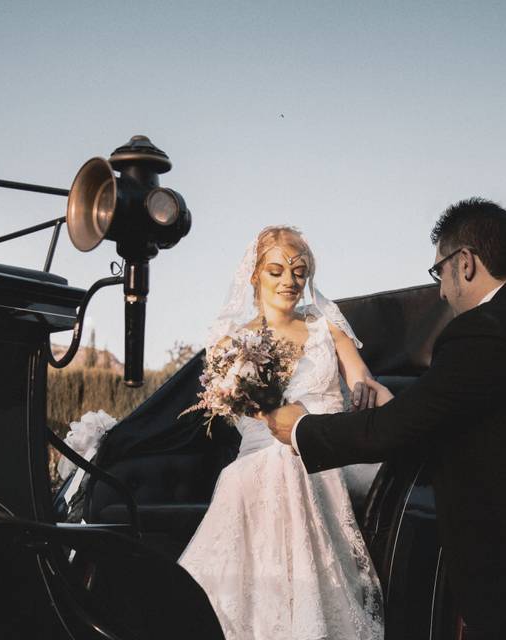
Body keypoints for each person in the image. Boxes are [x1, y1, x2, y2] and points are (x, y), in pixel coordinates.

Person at [265, 199, 506, 640]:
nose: (441, 292)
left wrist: (300, 428)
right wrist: (401, 408)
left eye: (439, 273)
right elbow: (488, 432)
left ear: (465, 263)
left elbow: (392, 432)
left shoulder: (486, 328)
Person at [178, 226, 384, 640]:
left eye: (299, 271)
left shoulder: (328, 327)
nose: (290, 281)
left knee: (285, 464)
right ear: (255, 276)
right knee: (268, 466)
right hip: (260, 467)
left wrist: (382, 399)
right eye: (276, 271)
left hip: (328, 459)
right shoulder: (229, 344)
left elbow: (364, 380)